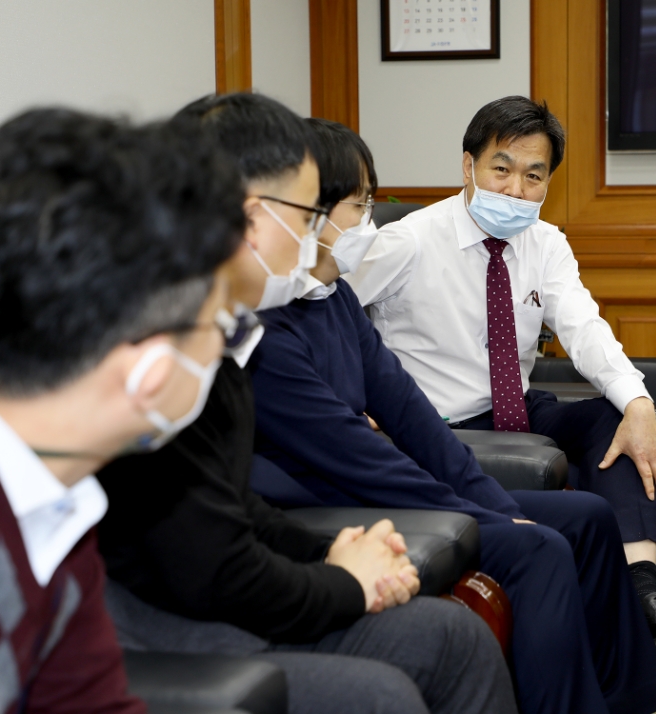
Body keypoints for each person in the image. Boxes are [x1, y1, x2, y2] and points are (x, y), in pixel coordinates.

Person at [96, 93, 517, 714]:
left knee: (453, 635)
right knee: (383, 695)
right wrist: (344, 581)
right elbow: (210, 569)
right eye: (308, 212)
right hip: (150, 617)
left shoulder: (227, 334)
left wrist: (333, 554)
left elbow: (236, 510)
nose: (317, 234)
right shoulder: (160, 356)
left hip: (220, 588)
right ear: (249, 219)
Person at [250, 117, 656, 714]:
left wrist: (495, 506)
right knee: (541, 548)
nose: (369, 225)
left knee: (587, 516)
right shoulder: (271, 323)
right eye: (359, 205)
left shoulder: (332, 296)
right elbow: (360, 454)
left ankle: (629, 698)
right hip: (327, 499)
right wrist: (484, 514)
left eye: (534, 175)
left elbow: (406, 411)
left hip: (430, 446)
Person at [345, 95, 656, 669]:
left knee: (617, 420)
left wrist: (636, 402)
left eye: (533, 177)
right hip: (441, 421)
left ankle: (644, 593)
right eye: (500, 169)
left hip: (519, 408)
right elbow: (326, 305)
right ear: (468, 168)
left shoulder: (545, 242)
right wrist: (358, 403)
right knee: (597, 476)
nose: (514, 190)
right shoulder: (409, 240)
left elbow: (584, 328)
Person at [0, 109, 244, 713]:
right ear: (147, 372)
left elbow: (87, 701)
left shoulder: (48, 483)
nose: (226, 345)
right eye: (220, 324)